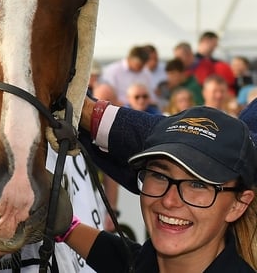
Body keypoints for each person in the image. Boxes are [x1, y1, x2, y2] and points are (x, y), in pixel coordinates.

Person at [62, 106, 257, 271]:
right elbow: (131, 263)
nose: (169, 200)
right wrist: (68, 228)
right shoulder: (151, 259)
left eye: (197, 184)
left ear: (238, 205)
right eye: (159, 175)